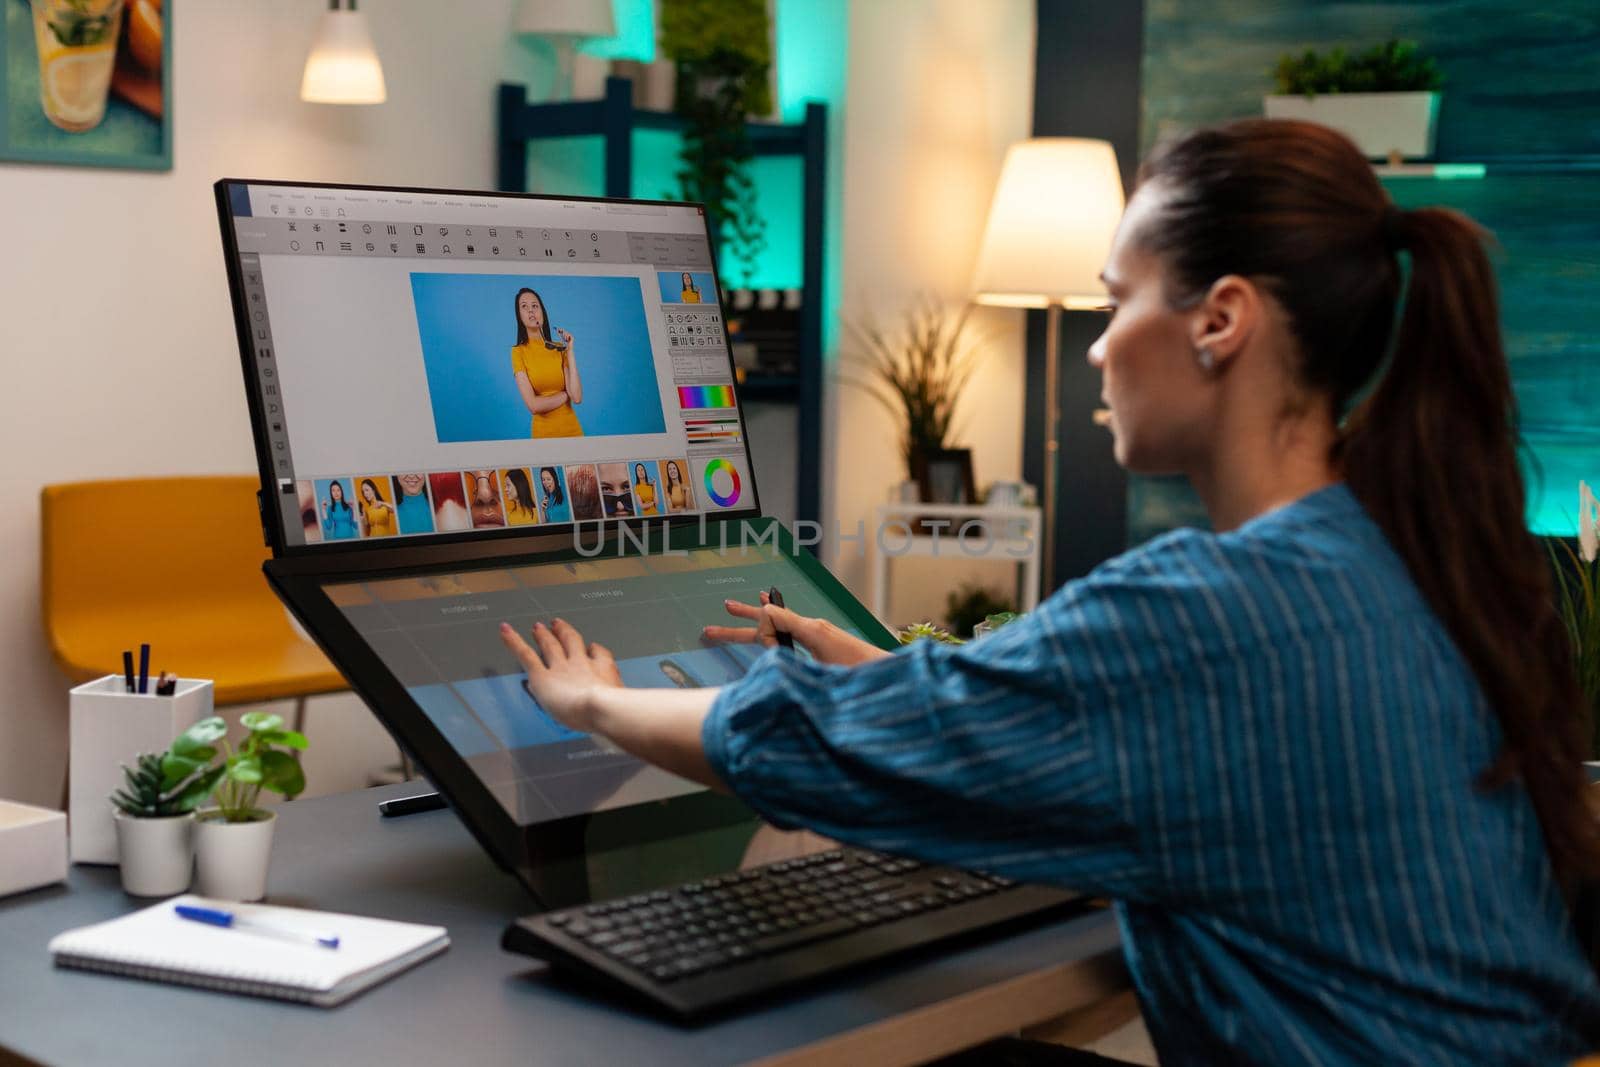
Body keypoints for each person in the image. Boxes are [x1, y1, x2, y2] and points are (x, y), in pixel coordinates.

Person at [500, 119, 1600, 1063]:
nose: (1095, 348)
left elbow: (807, 743)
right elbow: (1156, 726)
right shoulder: (1399, 552)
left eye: (1116, 300)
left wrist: (596, 700)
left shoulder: (1205, 608)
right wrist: (900, 675)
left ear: (1221, 319)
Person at [509, 287, 583, 438]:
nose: (531, 310)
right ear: (519, 316)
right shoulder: (518, 352)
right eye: (524, 306)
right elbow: (533, 405)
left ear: (542, 312)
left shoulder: (559, 348)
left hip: (573, 432)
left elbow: (576, 396)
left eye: (535, 306)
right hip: (543, 436)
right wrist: (563, 396)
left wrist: (570, 351)